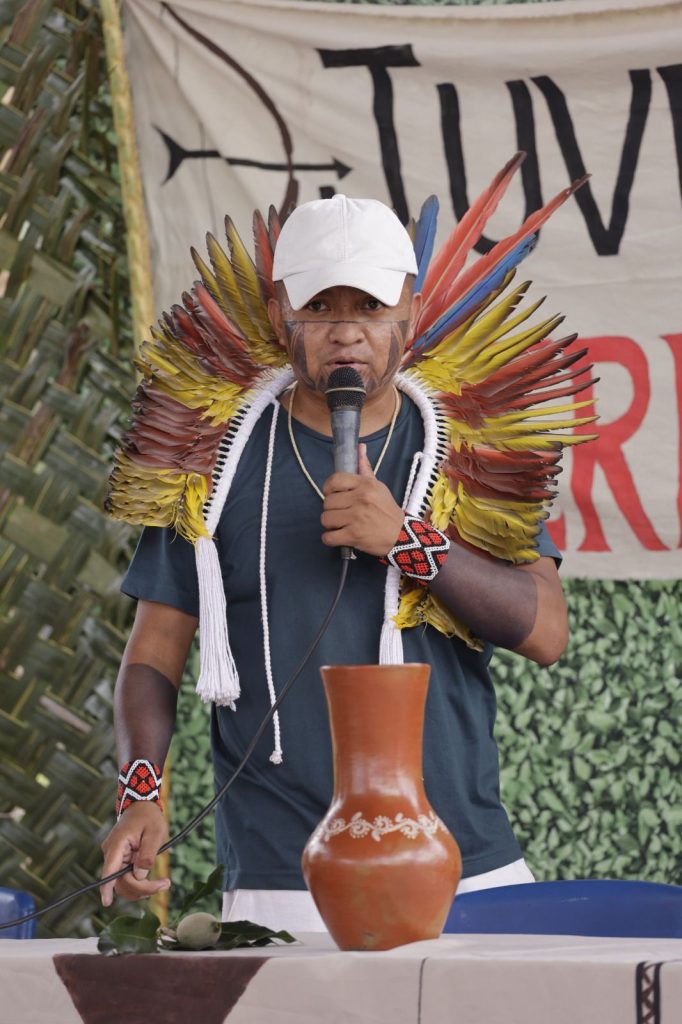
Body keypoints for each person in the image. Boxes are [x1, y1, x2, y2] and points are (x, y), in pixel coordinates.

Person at [100, 191, 574, 932]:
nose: (347, 332)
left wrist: (410, 541)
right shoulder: (209, 463)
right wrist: (139, 793)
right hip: (282, 877)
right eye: (319, 307)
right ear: (279, 313)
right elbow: (153, 653)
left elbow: (546, 632)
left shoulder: (473, 450)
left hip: (463, 862)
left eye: (371, 307)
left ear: (411, 312)